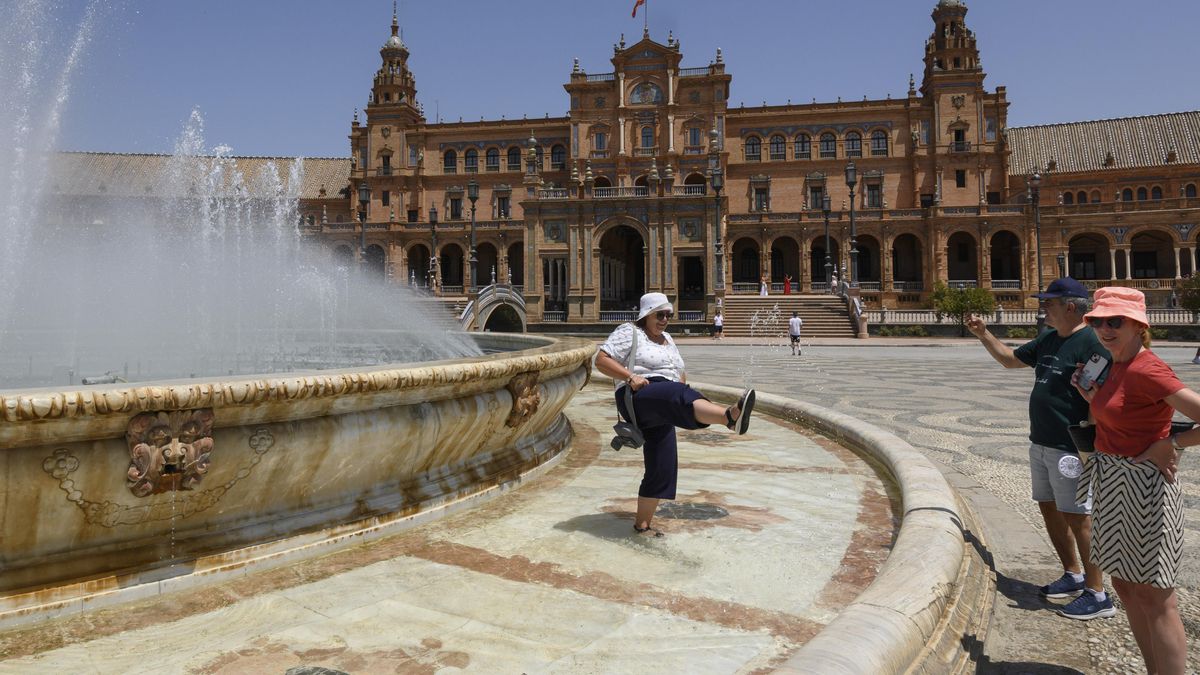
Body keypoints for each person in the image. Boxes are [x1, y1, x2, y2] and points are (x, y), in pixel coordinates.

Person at [965, 277, 1114, 619]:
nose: (1043, 306)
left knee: (1079, 518)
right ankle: (1073, 574)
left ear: (1072, 307)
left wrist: (1090, 446)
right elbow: (1009, 360)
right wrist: (983, 334)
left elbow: (1100, 398)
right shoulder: (1048, 338)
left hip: (1070, 445)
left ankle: (1097, 593)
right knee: (1049, 509)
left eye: (1049, 302)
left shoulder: (1093, 343)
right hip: (1041, 441)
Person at [1072, 287, 1191, 672]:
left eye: (1116, 321)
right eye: (1099, 321)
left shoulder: (1147, 368)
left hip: (1144, 489)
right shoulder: (1115, 364)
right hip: (1113, 483)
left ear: (1139, 325)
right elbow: (1125, 417)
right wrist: (1092, 397)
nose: (1105, 329)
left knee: (1156, 596)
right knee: (1125, 586)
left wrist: (1170, 443)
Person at [595, 292, 756, 538]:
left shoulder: (668, 339)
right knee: (674, 394)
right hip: (638, 396)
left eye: (669, 315)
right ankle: (729, 417)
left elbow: (679, 372)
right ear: (647, 315)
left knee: (663, 465)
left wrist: (681, 391)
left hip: (665, 400)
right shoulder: (630, 332)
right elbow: (601, 360)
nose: (665, 320)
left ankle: (642, 526)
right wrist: (630, 377)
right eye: (660, 315)